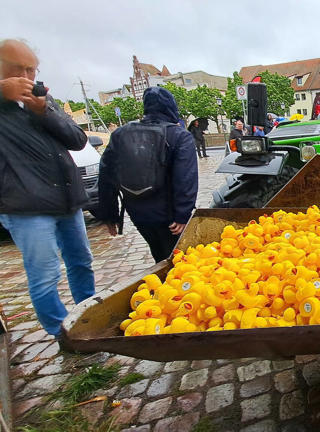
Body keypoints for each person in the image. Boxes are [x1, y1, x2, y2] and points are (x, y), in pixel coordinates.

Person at [0, 39, 95, 337]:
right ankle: (63, 333)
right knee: (45, 273)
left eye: (31, 70)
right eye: (17, 69)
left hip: (66, 198)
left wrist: (44, 112)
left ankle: (88, 318)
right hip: (25, 205)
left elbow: (77, 139)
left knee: (81, 262)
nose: (26, 77)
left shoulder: (43, 100)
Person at [99, 87, 198, 263]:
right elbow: (185, 178)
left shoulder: (120, 134)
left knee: (159, 253)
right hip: (169, 214)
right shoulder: (179, 136)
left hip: (138, 212)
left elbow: (106, 176)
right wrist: (183, 214)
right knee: (179, 259)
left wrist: (110, 215)